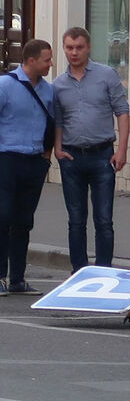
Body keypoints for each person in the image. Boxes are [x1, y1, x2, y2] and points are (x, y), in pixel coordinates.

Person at [52, 27, 130, 272]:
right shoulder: (58, 84)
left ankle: (103, 270)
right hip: (71, 156)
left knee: (104, 219)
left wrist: (122, 150)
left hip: (102, 155)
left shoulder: (106, 75)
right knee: (76, 219)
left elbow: (122, 111)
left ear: (88, 48)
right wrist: (57, 149)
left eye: (79, 47)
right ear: (64, 49)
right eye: (69, 48)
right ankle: (79, 271)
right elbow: (58, 120)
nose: (74, 53)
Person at [0, 39, 55, 296]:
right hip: (7, 159)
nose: (50, 64)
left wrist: (46, 157)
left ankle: (18, 279)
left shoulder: (48, 90)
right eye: (46, 60)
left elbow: (53, 124)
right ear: (31, 60)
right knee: (3, 217)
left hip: (34, 161)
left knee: (24, 221)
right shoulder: (5, 85)